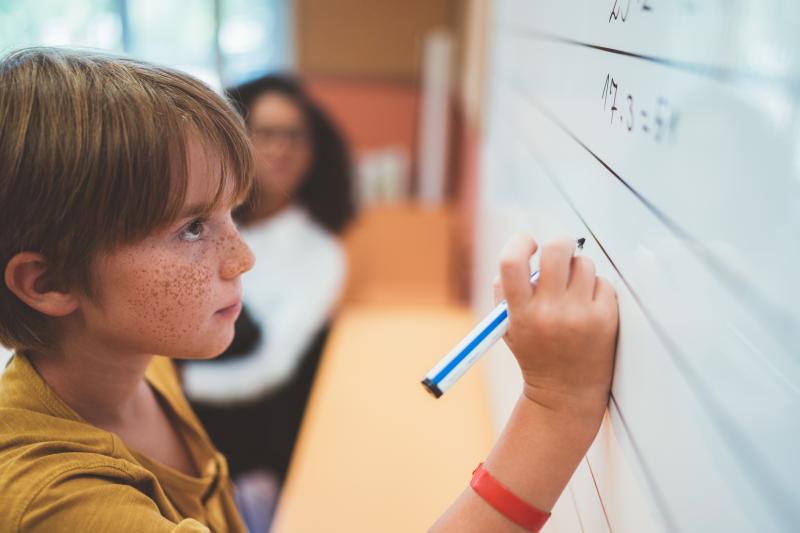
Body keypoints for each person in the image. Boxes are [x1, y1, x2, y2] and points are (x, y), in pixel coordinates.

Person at [0, 48, 618, 533]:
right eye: (192, 229)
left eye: (231, 216)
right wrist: (554, 409)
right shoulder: (56, 501)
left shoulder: (142, 368)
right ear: (49, 282)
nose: (242, 257)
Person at [178, 76, 355, 509]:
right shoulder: (193, 217)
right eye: (267, 133)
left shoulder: (320, 252)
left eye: (295, 136)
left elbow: (272, 367)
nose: (281, 148)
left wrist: (167, 389)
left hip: (235, 423)